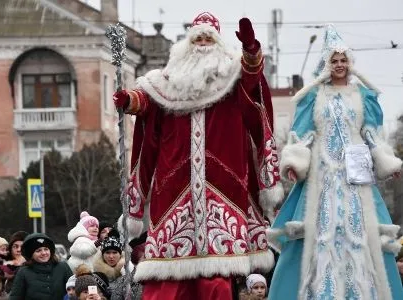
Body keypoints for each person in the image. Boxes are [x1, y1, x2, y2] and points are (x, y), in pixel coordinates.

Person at [113, 11, 282, 299]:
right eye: (198, 38)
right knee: (165, 279)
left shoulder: (233, 80)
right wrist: (130, 100)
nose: (203, 43)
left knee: (215, 281)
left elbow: (253, 81)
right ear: (186, 45)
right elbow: (146, 102)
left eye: (208, 38)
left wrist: (251, 50)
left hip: (223, 189)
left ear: (218, 43)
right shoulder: (167, 81)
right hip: (175, 190)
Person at [267, 25, 403, 300]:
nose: (340, 65)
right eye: (334, 61)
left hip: (355, 177)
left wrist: (387, 163)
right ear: (327, 64)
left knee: (359, 228)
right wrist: (294, 163)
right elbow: (303, 134)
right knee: (321, 229)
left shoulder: (362, 96)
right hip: (323, 175)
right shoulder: (314, 96)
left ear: (350, 63)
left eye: (344, 60)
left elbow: (371, 133)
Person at [9, 233, 73, 300]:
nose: (44, 253)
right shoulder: (23, 272)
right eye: (38, 250)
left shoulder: (63, 267)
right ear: (31, 254)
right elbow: (15, 296)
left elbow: (75, 292)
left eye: (46, 249)